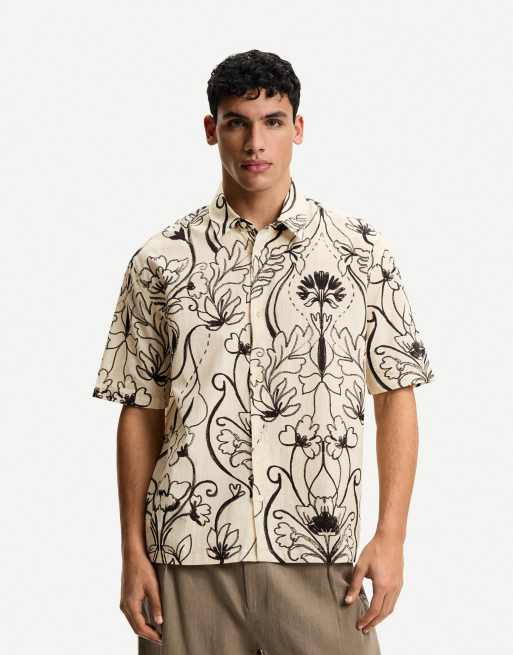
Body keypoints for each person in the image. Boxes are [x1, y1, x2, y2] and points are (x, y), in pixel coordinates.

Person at [92, 49, 435, 655]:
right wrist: (131, 553)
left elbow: (395, 396)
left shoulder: (361, 252)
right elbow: (140, 410)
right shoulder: (159, 260)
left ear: (297, 128)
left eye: (273, 121)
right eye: (237, 122)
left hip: (319, 551)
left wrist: (392, 536)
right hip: (187, 554)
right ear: (211, 129)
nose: (255, 142)